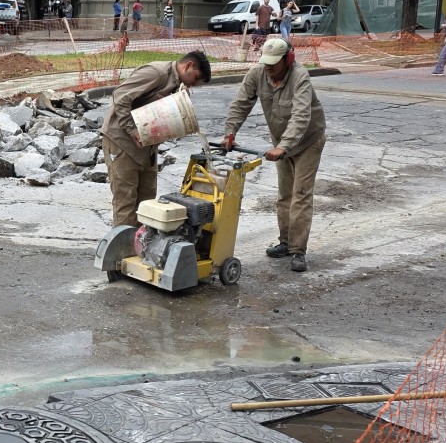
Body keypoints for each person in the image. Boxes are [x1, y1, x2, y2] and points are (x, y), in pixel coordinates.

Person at [223, 37, 326, 273]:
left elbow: (301, 115)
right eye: (266, 63)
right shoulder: (258, 73)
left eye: (274, 64)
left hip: (308, 141)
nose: (268, 68)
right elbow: (240, 103)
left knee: (300, 194)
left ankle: (298, 251)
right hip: (281, 143)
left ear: (287, 60)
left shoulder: (300, 77)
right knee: (284, 194)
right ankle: (285, 242)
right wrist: (230, 132)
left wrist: (285, 146)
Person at [102, 51, 214, 229]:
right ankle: (122, 253)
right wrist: (132, 130)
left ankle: (142, 247)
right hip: (122, 143)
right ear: (189, 65)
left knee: (147, 204)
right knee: (126, 202)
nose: (194, 84)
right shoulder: (156, 73)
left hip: (147, 148)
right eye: (196, 78)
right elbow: (121, 96)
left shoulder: (178, 85)